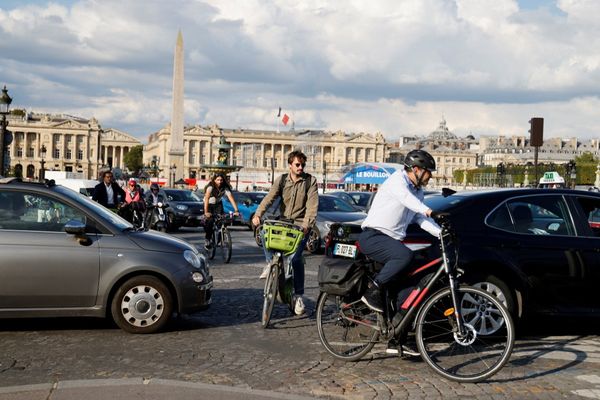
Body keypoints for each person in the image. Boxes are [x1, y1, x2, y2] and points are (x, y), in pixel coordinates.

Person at [358, 149, 441, 354]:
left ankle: (397, 339)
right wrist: (427, 209)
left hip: (391, 240)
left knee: (412, 288)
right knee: (405, 255)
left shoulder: (417, 192)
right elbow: (408, 201)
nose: (430, 176)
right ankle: (372, 291)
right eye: (428, 172)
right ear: (416, 169)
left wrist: (441, 233)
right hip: (373, 236)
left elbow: (419, 218)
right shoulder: (397, 181)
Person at [252, 150, 319, 316]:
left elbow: (312, 207)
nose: (300, 167)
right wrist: (258, 214)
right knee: (264, 233)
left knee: (296, 259)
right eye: (297, 164)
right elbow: (269, 198)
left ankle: (299, 295)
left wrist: (306, 226)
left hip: (300, 225)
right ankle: (270, 263)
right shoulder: (281, 180)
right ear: (290, 165)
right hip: (283, 222)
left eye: (302, 165)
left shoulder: (310, 181)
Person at [203, 174, 239, 249]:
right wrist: (206, 212)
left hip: (218, 205)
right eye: (218, 180)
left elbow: (231, 198)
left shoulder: (225, 188)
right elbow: (206, 199)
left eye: (221, 180)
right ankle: (207, 239)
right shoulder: (210, 187)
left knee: (223, 220)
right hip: (209, 205)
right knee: (210, 221)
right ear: (214, 180)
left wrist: (236, 210)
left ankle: (220, 236)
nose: (219, 182)